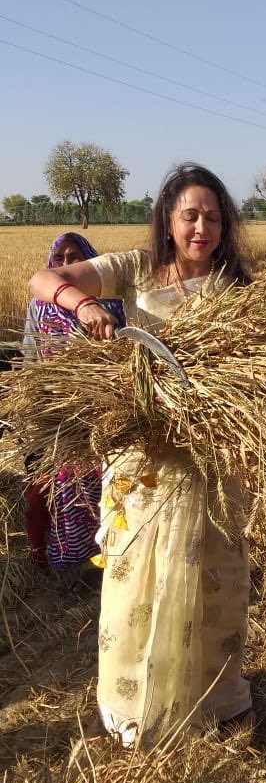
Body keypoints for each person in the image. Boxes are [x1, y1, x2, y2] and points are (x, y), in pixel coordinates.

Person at [29, 165, 254, 747]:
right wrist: (83, 306)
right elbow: (42, 278)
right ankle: (137, 709)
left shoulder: (239, 287)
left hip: (212, 454)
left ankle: (220, 700)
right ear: (168, 220)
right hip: (146, 457)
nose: (201, 227)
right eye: (190, 216)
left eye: (212, 216)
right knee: (139, 579)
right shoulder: (133, 269)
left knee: (217, 580)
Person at [23, 232, 125, 575]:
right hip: (58, 415)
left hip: (106, 412)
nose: (68, 264)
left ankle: (110, 558)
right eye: (61, 259)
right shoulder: (40, 306)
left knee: (110, 484)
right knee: (61, 487)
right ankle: (69, 565)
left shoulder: (113, 303)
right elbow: (31, 359)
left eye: (75, 256)